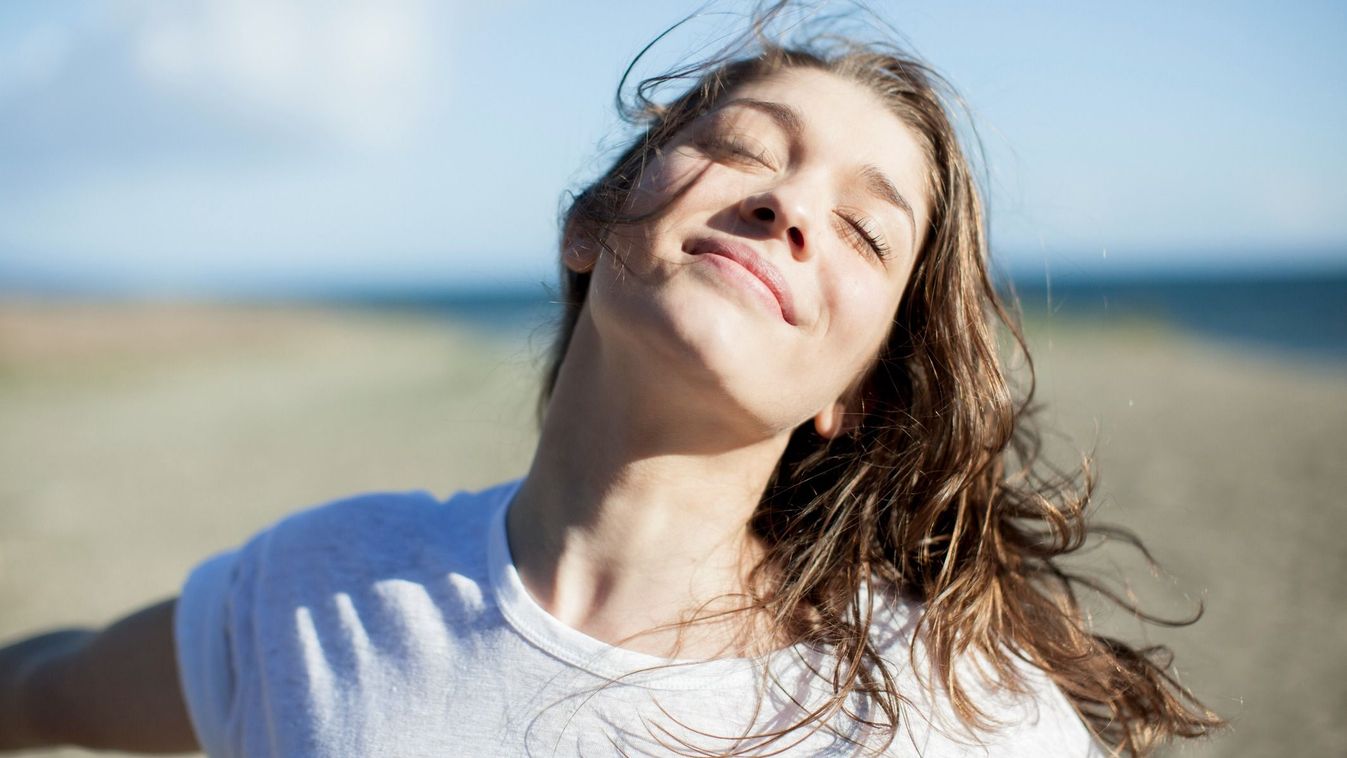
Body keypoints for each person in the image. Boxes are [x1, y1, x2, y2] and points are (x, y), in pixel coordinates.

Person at [0, 6, 1221, 756]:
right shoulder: (318, 595)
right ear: (591, 223)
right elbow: (41, 686)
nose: (791, 205)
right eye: (747, 148)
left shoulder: (956, 719)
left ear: (851, 389)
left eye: (865, 230)